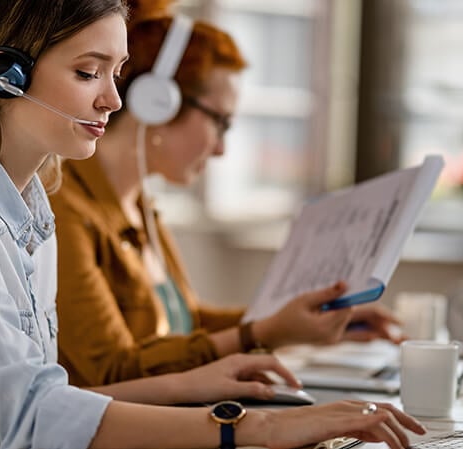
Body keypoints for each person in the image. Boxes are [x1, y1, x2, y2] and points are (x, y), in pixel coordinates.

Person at [0, 0, 425, 448]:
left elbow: (46, 396)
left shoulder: (33, 203)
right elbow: (30, 414)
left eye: (117, 72)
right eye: (89, 73)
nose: (115, 101)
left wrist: (190, 386)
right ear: (6, 75)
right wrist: (255, 426)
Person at [50, 0, 404, 388]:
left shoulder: (138, 206)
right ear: (158, 104)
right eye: (220, 122)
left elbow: (188, 322)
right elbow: (113, 373)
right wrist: (263, 333)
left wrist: (298, 318)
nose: (221, 149)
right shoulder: (65, 208)